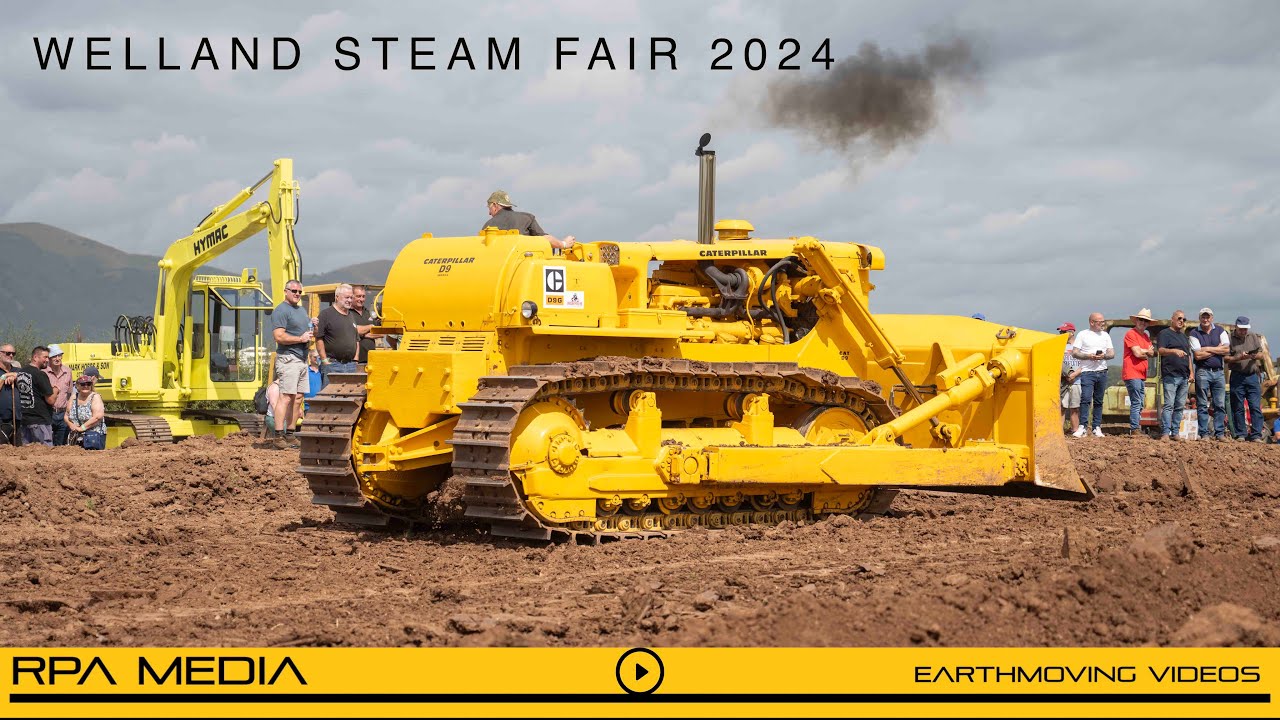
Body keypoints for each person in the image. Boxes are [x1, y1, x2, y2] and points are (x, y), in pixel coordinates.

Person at [270, 279, 314, 450]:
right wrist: (300, 339)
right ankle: (278, 436)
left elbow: (305, 331)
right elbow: (279, 336)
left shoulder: (301, 310)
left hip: (302, 359)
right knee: (286, 397)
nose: (297, 294)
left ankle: (290, 434)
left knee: (298, 399)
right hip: (289, 358)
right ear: (285, 291)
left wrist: (313, 326)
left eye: (299, 292)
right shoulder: (281, 310)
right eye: (293, 291)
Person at [316, 283, 371, 385]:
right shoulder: (326, 314)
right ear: (337, 297)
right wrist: (324, 360)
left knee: (348, 397)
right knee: (330, 397)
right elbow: (319, 338)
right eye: (347, 297)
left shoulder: (351, 316)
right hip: (333, 364)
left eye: (351, 297)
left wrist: (355, 360)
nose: (349, 300)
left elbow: (356, 339)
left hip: (350, 365)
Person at [481, 190, 576, 250]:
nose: (489, 213)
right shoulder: (526, 218)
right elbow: (545, 240)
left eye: (489, 208)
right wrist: (564, 244)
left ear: (494, 205)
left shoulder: (487, 226)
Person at [1189, 307, 1230, 441]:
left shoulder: (1220, 330)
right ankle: (1204, 433)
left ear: (1212, 318)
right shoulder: (1194, 333)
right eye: (1203, 317)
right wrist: (1217, 349)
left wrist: (1207, 349)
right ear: (1199, 318)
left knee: (1219, 404)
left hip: (1218, 373)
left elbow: (1226, 350)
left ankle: (1219, 433)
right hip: (1202, 372)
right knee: (1202, 404)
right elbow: (1197, 355)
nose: (1205, 319)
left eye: (1208, 317)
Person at [1071, 313, 1113, 437]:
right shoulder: (1083, 334)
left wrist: (1103, 356)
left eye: (1103, 321)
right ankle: (1082, 426)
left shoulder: (1105, 335)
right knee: (1086, 399)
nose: (1102, 324)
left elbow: (1111, 353)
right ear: (1092, 322)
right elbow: (1075, 353)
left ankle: (1096, 427)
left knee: (1099, 401)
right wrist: (1089, 356)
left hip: (1102, 371)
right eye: (1099, 321)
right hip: (1087, 371)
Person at [1226, 315, 1266, 442]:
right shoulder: (1229, 338)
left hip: (1252, 376)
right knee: (1237, 407)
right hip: (1237, 376)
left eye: (1245, 329)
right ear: (1236, 327)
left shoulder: (1253, 337)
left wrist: (1253, 355)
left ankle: (1256, 435)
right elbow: (1225, 358)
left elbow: (1262, 355)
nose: (1244, 331)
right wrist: (1238, 357)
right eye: (1241, 329)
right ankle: (1241, 434)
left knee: (1255, 406)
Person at [1155, 310, 1193, 441]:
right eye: (1179, 318)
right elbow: (1160, 350)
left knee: (1179, 406)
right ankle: (1165, 432)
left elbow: (1189, 356)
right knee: (1169, 405)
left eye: (1184, 319)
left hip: (1184, 376)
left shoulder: (1183, 337)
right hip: (1170, 375)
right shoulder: (1164, 334)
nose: (1182, 321)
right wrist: (1174, 351)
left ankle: (1175, 432)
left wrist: (1191, 372)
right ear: (1172, 319)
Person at [1121, 309, 1156, 437]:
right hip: (1132, 372)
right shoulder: (1131, 334)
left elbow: (1151, 353)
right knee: (1136, 402)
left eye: (1146, 320)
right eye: (1141, 319)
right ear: (1136, 320)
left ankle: (1136, 427)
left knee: (1140, 402)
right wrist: (1145, 351)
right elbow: (1137, 353)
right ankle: (1135, 428)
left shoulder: (1145, 336)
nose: (1143, 322)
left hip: (1141, 374)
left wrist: (1144, 352)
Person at [17, 346, 56, 446]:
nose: (47, 360)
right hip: (40, 421)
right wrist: (56, 390)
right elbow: (51, 400)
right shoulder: (40, 374)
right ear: (35, 357)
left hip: (25, 420)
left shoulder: (21, 372)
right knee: (45, 454)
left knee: (29, 455)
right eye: (45, 357)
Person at [65, 373, 106, 450]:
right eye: (83, 384)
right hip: (76, 436)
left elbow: (97, 417)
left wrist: (82, 428)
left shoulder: (95, 397)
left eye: (88, 384)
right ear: (77, 386)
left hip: (93, 436)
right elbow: (66, 415)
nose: (86, 386)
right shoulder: (73, 397)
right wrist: (71, 425)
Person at [43, 344, 73, 445]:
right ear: (49, 359)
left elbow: (69, 394)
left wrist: (68, 413)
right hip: (48, 413)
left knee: (61, 444)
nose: (57, 358)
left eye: (59, 355)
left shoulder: (68, 372)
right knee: (47, 443)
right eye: (54, 356)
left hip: (63, 413)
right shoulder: (43, 373)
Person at [1058, 322, 1082, 435]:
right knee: (1062, 407)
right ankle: (1059, 432)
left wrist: (1074, 374)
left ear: (1071, 332)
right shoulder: (1059, 346)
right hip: (1063, 382)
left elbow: (1085, 364)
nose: (1061, 334)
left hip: (1077, 381)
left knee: (1075, 408)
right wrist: (1067, 375)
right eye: (1060, 332)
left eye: (1063, 332)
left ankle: (1075, 430)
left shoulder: (1080, 346)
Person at [0, 343, 21, 446]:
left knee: (18, 448)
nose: (11, 356)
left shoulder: (17, 370)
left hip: (16, 417)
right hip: (1, 418)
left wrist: (15, 376)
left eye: (13, 353)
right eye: (8, 353)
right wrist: (4, 377)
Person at [351, 286, 378, 365]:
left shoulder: (369, 313)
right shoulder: (348, 313)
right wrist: (370, 327)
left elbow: (381, 333)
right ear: (352, 297)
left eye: (363, 296)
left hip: (370, 359)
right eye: (358, 296)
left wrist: (361, 334)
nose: (361, 299)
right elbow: (353, 331)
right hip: (354, 360)